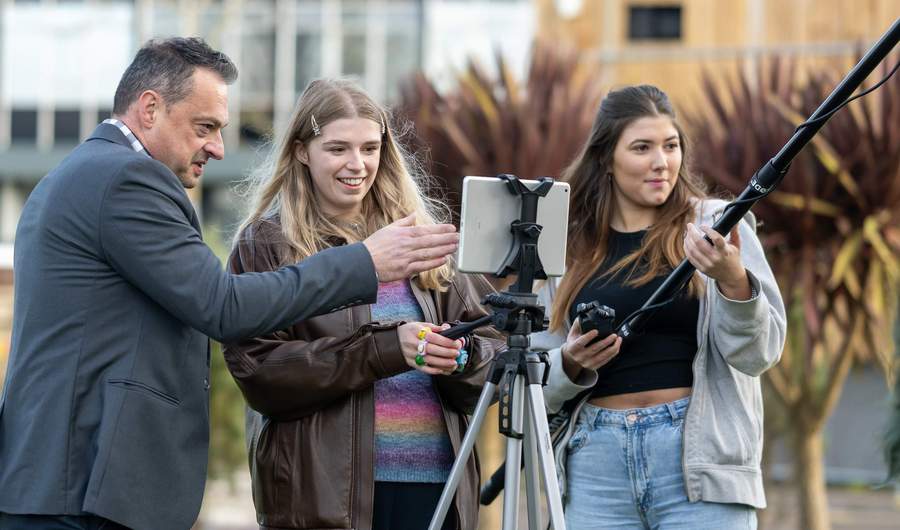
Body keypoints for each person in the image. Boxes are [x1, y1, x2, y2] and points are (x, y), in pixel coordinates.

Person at [0, 39, 459, 530]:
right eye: (205, 128)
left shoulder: (75, 174)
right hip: (85, 488)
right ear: (150, 107)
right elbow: (223, 306)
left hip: (62, 481)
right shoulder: (128, 180)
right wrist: (364, 263)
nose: (218, 147)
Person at [223, 78, 504, 530]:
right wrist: (386, 349)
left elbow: (494, 346)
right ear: (301, 151)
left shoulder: (420, 239)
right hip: (324, 496)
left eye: (370, 148)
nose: (357, 164)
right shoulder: (267, 244)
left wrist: (459, 356)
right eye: (338, 149)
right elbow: (259, 372)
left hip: (436, 491)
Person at [534, 85, 787, 529]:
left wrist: (732, 280)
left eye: (671, 146)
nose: (661, 161)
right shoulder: (566, 246)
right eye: (642, 148)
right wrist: (569, 364)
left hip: (697, 459)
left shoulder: (718, 225)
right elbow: (534, 380)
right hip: (596, 461)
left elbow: (759, 354)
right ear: (606, 159)